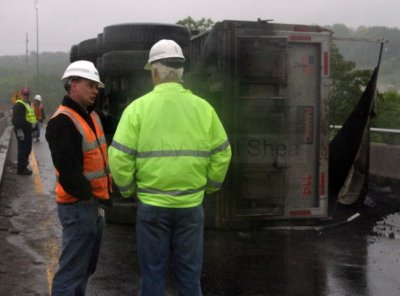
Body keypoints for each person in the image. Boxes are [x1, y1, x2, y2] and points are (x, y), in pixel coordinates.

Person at [108, 39, 232, 296]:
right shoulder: (204, 109)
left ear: (154, 71)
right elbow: (222, 154)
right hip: (190, 205)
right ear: (181, 72)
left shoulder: (137, 109)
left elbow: (119, 158)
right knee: (189, 275)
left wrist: (130, 190)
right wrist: (209, 186)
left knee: (153, 274)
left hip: (152, 206)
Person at [45, 60, 112, 296]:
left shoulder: (90, 116)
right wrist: (87, 197)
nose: (96, 90)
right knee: (72, 272)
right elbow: (69, 173)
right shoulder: (62, 121)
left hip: (92, 204)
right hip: (79, 206)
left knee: (84, 269)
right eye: (90, 85)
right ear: (73, 84)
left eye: (97, 86)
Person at [12, 87, 37, 175]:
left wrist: (34, 129)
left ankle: (23, 166)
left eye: (27, 94)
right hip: (22, 132)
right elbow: (16, 120)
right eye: (24, 94)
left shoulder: (28, 104)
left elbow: (32, 117)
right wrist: (19, 131)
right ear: (21, 95)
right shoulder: (18, 105)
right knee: (23, 150)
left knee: (27, 149)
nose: (26, 96)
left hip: (28, 131)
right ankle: (21, 169)